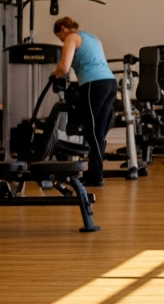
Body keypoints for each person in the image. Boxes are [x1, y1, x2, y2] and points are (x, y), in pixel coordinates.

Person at [50, 16, 117, 187]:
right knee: (98, 131)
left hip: (93, 83)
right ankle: (95, 174)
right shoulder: (93, 38)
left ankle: (95, 176)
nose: (61, 39)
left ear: (63, 29)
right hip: (110, 83)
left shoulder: (71, 37)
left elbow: (64, 67)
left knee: (91, 130)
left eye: (59, 36)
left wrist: (53, 74)